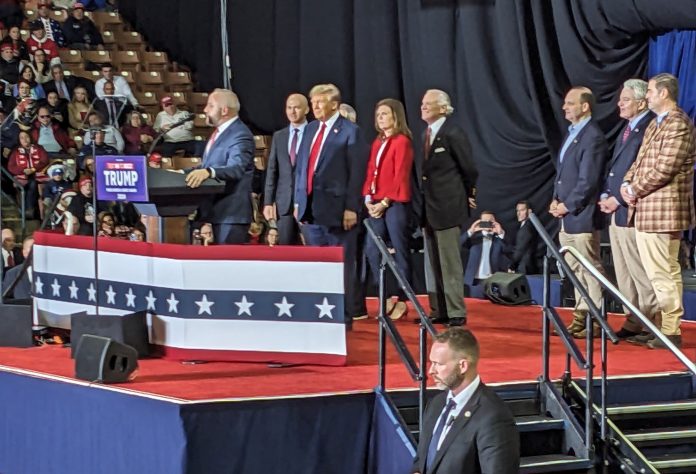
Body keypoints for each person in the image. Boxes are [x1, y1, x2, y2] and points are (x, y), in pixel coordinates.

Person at [621, 73, 696, 350]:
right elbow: (639, 160)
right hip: (647, 208)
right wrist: (627, 183)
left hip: (663, 210)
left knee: (663, 272)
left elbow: (664, 168)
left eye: (650, 91)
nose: (647, 95)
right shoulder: (655, 124)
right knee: (658, 273)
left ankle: (670, 331)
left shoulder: (678, 124)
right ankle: (661, 327)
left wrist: (635, 189)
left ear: (664, 93)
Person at [293, 83, 369, 328]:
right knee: (318, 266)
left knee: (341, 267)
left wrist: (351, 207)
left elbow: (357, 172)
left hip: (338, 212)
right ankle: (321, 313)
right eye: (312, 102)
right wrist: (298, 200)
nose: (314, 106)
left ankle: (343, 318)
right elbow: (303, 167)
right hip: (310, 209)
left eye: (319, 102)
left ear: (334, 104)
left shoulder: (350, 131)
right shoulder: (311, 128)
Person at [599, 79, 659, 340]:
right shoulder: (627, 128)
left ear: (641, 101)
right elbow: (615, 170)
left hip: (633, 210)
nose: (619, 104)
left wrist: (620, 200)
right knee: (623, 271)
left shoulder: (648, 128)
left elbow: (643, 171)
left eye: (625, 100)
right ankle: (633, 319)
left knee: (638, 270)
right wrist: (606, 193)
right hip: (616, 210)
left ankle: (650, 323)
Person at [412, 327, 519, 474]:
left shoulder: (493, 415)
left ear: (462, 366)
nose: (431, 371)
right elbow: (421, 462)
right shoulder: (436, 404)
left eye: (439, 364)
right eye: (432, 362)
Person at [414, 89, 477, 326]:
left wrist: (468, 194)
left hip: (448, 206)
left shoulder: (453, 132)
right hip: (429, 208)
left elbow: (469, 169)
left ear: (443, 107)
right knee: (433, 263)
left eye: (429, 104)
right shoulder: (425, 135)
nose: (424, 107)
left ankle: (456, 311)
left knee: (450, 261)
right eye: (422, 103)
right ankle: (438, 309)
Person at [550, 86, 608, 339]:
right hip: (566, 216)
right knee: (573, 269)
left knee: (589, 268)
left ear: (585, 106)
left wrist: (568, 204)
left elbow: (588, 180)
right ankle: (581, 314)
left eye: (570, 103)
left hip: (581, 215)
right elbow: (564, 175)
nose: (565, 107)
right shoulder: (572, 133)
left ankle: (596, 319)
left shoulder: (592, 136)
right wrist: (555, 200)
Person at [362, 98, 414, 320]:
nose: (380, 117)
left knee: (400, 251)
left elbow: (400, 175)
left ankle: (403, 298)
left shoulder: (402, 141)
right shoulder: (377, 142)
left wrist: (385, 203)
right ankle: (385, 295)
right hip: (375, 203)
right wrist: (368, 199)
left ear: (396, 116)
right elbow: (371, 171)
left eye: (384, 113)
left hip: (394, 204)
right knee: (372, 250)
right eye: (378, 114)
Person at [185, 88, 255, 244]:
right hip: (216, 212)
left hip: (231, 214)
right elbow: (208, 166)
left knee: (228, 265)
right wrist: (179, 173)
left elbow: (236, 168)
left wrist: (209, 172)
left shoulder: (240, 134)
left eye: (210, 105)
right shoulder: (219, 133)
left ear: (224, 110)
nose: (205, 110)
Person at [263, 93, 308, 245]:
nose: (292, 111)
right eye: (289, 107)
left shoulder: (314, 133)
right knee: (286, 251)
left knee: (311, 251)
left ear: (307, 109)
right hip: (284, 205)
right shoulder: (279, 136)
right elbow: (272, 171)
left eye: (297, 107)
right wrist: (268, 202)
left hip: (307, 204)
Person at [462, 211, 507, 296]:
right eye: (485, 221)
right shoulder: (473, 238)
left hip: (492, 281)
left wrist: (500, 233)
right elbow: (458, 245)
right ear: (480, 222)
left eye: (490, 221)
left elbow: (508, 251)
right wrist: (471, 231)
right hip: (473, 282)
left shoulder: (498, 240)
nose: (487, 223)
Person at [8, 131, 50, 219]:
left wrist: (34, 169)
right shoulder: (15, 151)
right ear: (19, 140)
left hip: (37, 175)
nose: (25, 139)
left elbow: (45, 160)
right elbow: (11, 167)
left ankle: (28, 211)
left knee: (33, 183)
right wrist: (23, 170)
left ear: (30, 137)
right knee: (28, 185)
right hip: (22, 176)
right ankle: (28, 210)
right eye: (22, 138)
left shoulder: (39, 148)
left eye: (26, 136)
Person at [507, 200, 540, 274]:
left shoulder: (526, 228)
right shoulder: (530, 225)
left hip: (525, 268)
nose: (518, 213)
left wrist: (512, 266)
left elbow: (520, 250)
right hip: (527, 266)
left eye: (522, 210)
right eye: (517, 210)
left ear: (529, 211)